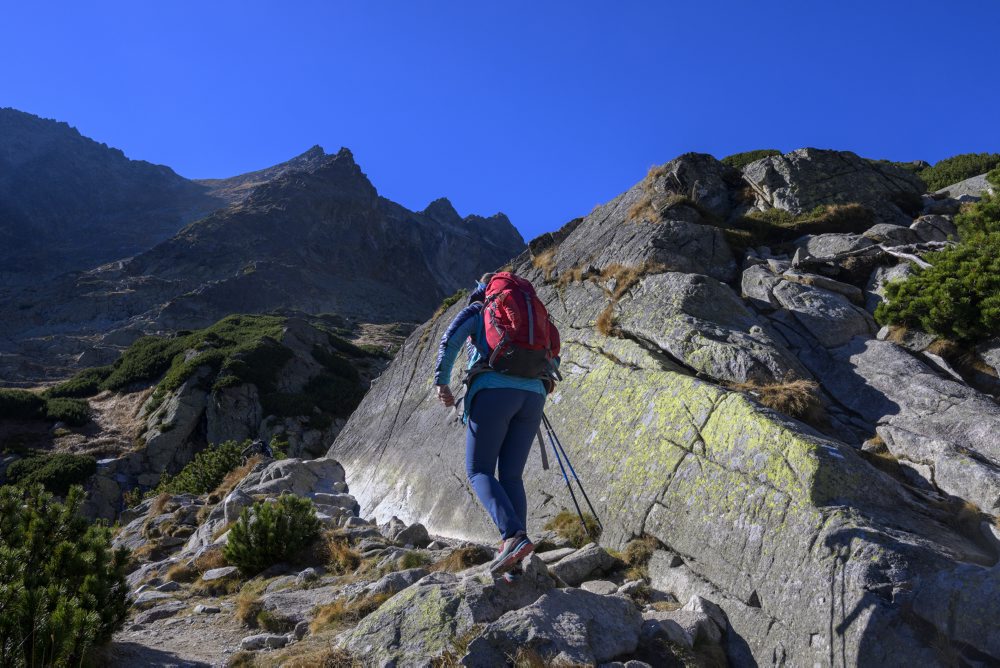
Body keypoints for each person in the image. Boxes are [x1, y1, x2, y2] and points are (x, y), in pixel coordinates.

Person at [433, 272, 558, 577]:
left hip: (493, 392)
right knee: (512, 476)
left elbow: (450, 340)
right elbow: (553, 349)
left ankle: (513, 538)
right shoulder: (533, 311)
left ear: (483, 290)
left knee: (479, 471)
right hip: (533, 395)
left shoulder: (480, 308)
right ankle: (518, 550)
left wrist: (442, 382)